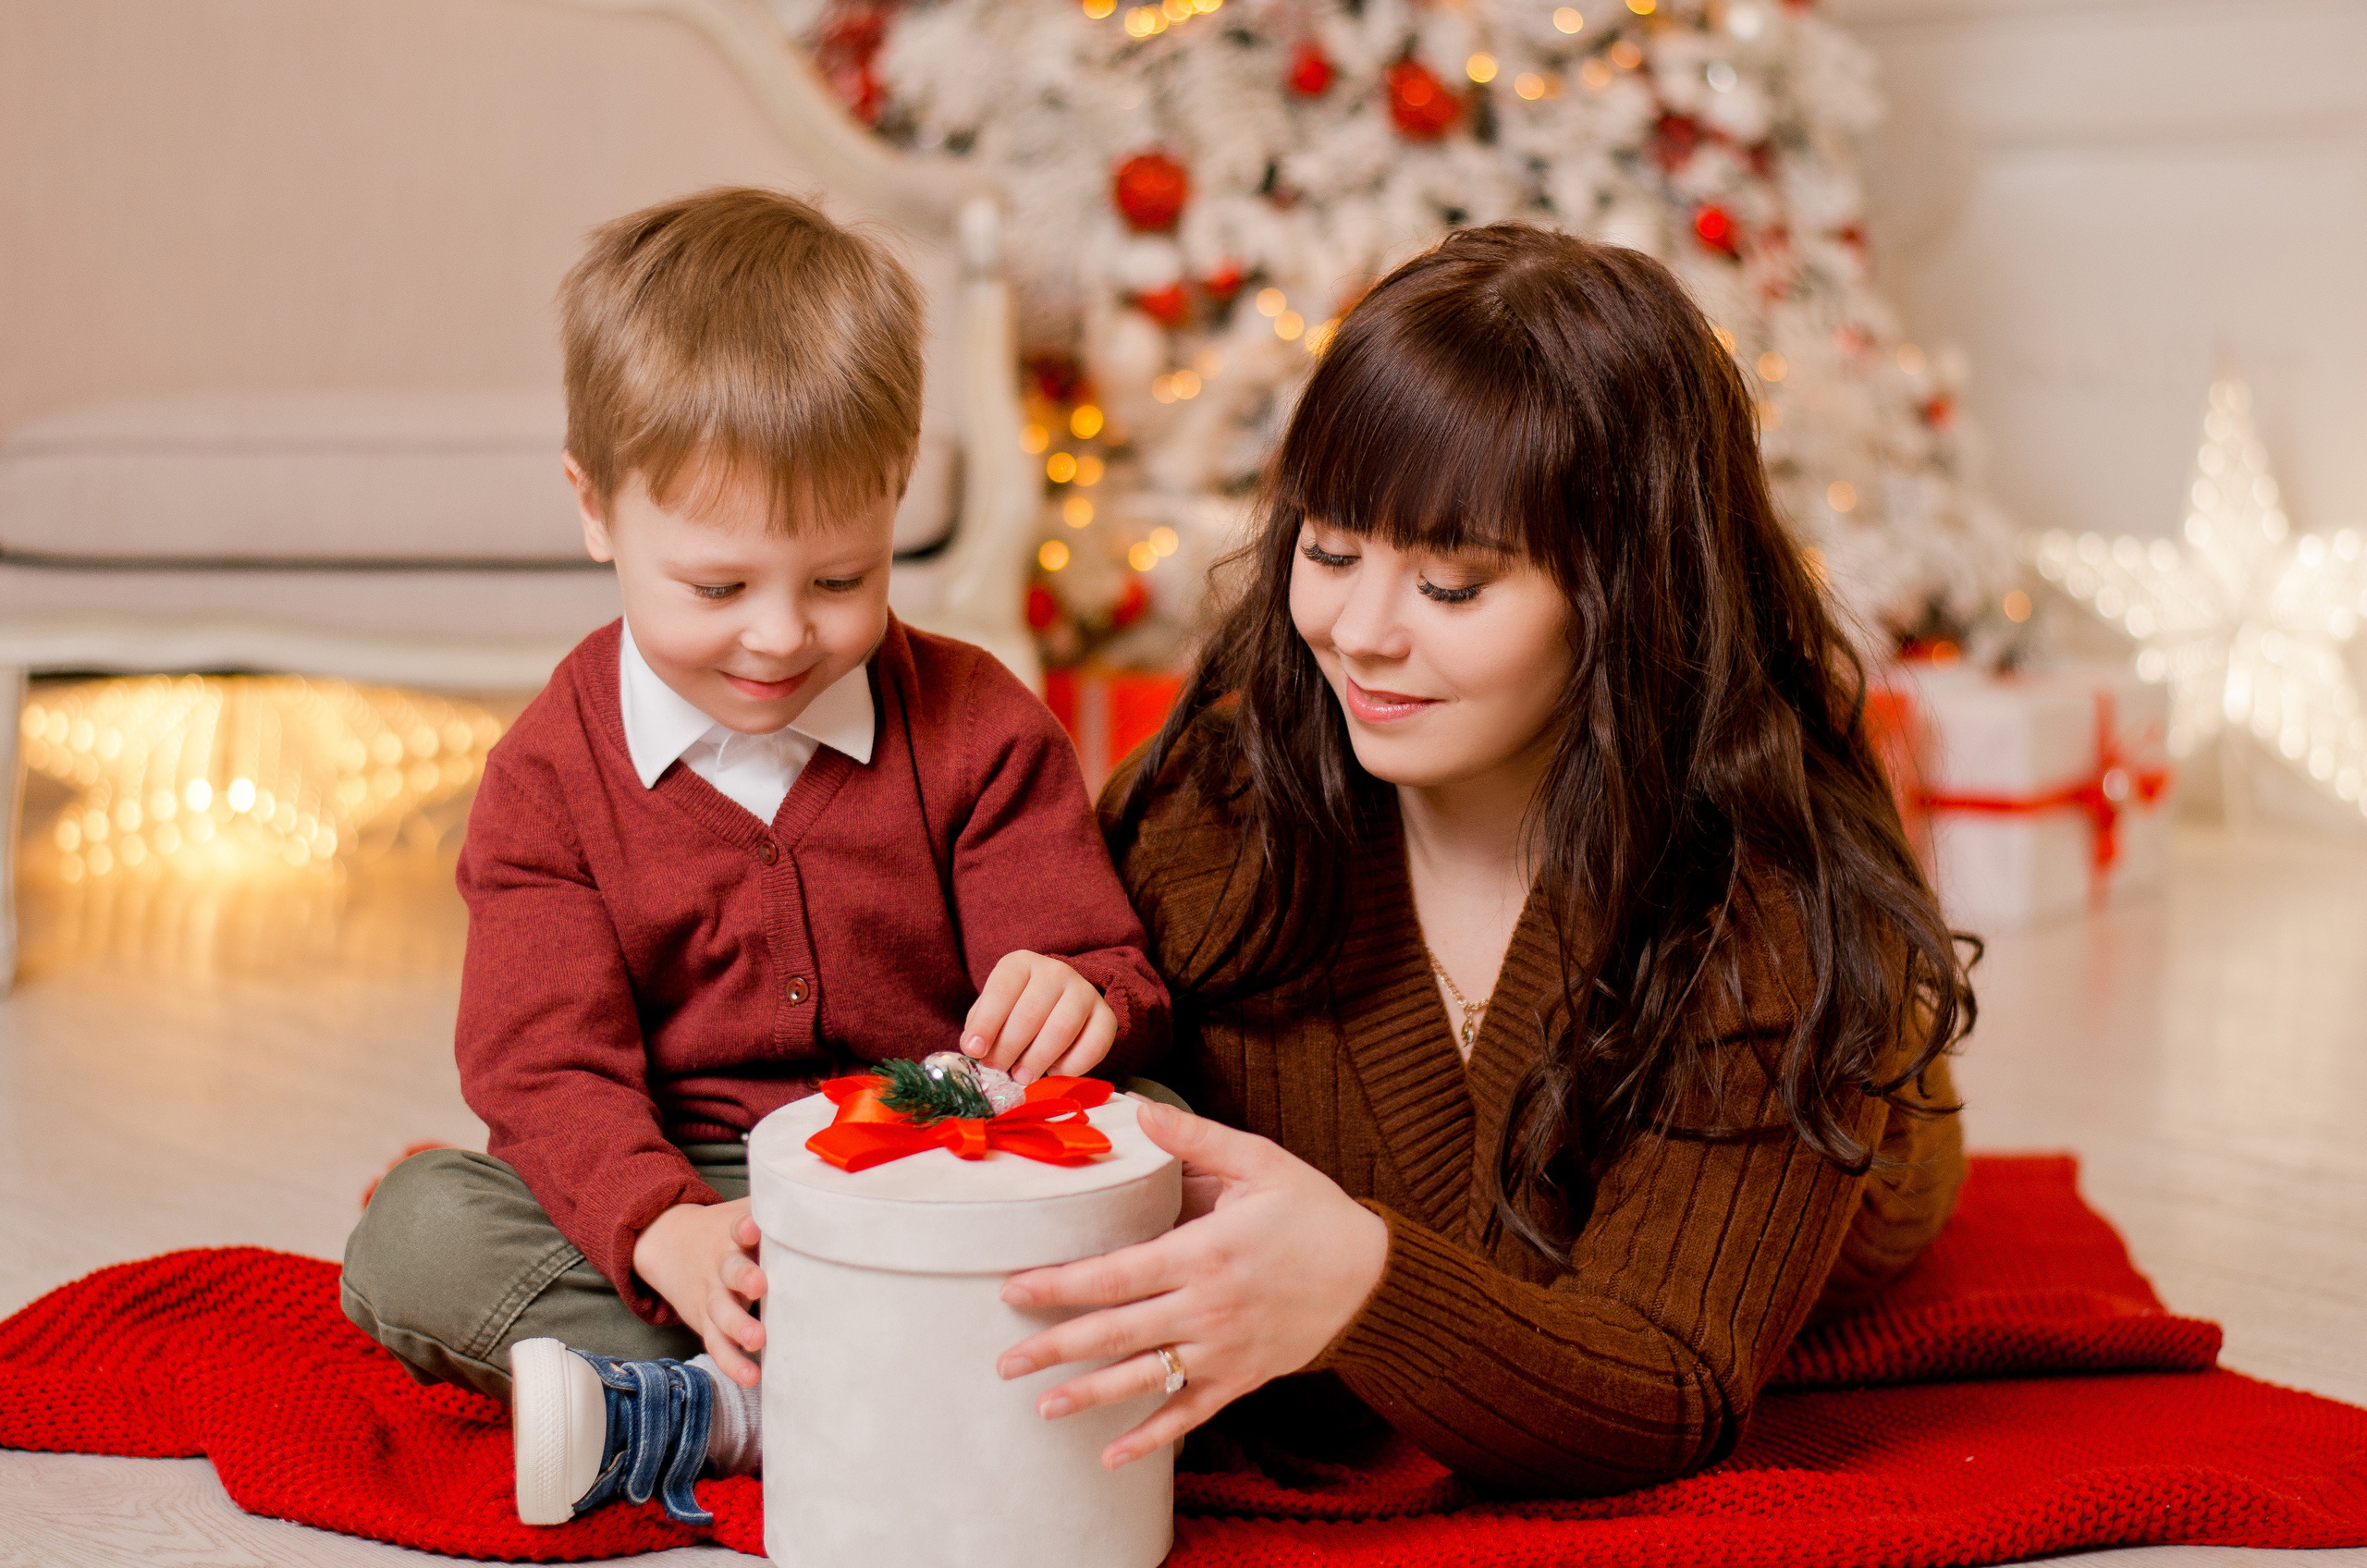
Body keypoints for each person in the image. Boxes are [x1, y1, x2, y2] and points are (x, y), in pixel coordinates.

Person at [991, 224, 1971, 1494]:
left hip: (1836, 1180)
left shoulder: (1770, 913)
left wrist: (1361, 1286)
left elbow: (1666, 1378)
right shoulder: (1208, 815)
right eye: (1331, 552)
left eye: (1452, 587)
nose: (1359, 633)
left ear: (1627, 598)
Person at [337, 188, 1169, 1527]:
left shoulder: (980, 726)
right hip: (704, 1196)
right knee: (416, 1235)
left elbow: (1093, 962)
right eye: (717, 589)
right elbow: (542, 1065)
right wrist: (660, 1230)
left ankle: (722, 1412)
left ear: (896, 496)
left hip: (941, 1176)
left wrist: (1081, 996)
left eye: (840, 580)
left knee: (1186, 1149)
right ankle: (853, 1395)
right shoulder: (550, 777)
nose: (780, 637)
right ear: (596, 508)